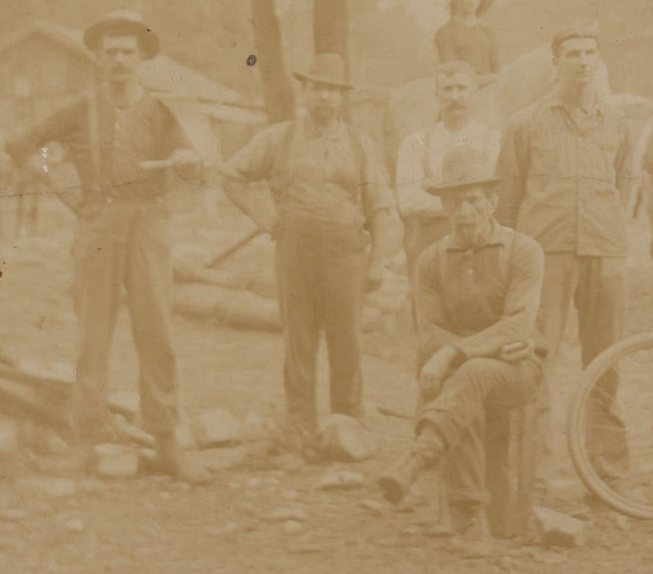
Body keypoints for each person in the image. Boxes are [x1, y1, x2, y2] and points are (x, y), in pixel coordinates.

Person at [4, 10, 207, 482]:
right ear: (97, 58)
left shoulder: (162, 108)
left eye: (128, 52)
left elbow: (190, 161)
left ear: (141, 59)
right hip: (97, 223)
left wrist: (187, 159)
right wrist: (66, 190)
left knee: (156, 330)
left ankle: (166, 440)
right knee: (92, 334)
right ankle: (87, 438)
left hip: (150, 222)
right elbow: (20, 144)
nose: (119, 60)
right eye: (111, 51)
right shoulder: (80, 108)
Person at [222, 54, 401, 435]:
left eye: (332, 91)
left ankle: (345, 423)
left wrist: (376, 262)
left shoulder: (359, 144)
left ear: (341, 98)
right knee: (298, 339)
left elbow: (381, 205)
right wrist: (267, 218)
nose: (324, 98)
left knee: (346, 340)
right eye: (317, 89)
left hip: (346, 252)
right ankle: (299, 425)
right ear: (305, 92)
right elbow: (232, 175)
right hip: (295, 251)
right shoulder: (279, 137)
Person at [377, 145, 545, 542]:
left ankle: (421, 460)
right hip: (465, 371)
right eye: (454, 202)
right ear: (444, 208)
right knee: (465, 376)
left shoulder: (524, 251)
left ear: (493, 201)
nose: (464, 212)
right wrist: (460, 353)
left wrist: (456, 351)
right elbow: (430, 329)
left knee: (461, 370)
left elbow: (518, 325)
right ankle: (471, 515)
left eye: (473, 200)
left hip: (519, 369)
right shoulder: (431, 261)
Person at [493, 24, 634, 479]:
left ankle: (606, 472)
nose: (583, 62)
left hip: (604, 254)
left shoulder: (617, 122)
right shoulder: (525, 123)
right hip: (545, 255)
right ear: (556, 63)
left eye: (591, 53)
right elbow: (508, 203)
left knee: (606, 361)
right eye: (573, 54)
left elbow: (627, 184)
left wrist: (611, 231)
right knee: (536, 359)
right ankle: (531, 473)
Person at [394, 61, 499, 293]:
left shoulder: (492, 141)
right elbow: (409, 202)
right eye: (448, 89)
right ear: (437, 95)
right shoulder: (415, 143)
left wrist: (437, 195)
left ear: (475, 93)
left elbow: (497, 198)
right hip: (430, 246)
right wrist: (470, 202)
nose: (455, 96)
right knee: (429, 317)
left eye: (461, 89)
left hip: (481, 245)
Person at [434, 0, 499, 86]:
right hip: (461, 93)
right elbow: (452, 73)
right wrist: (486, 80)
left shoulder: (487, 32)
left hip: (491, 91)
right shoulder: (445, 33)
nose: (472, 0)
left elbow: (497, 67)